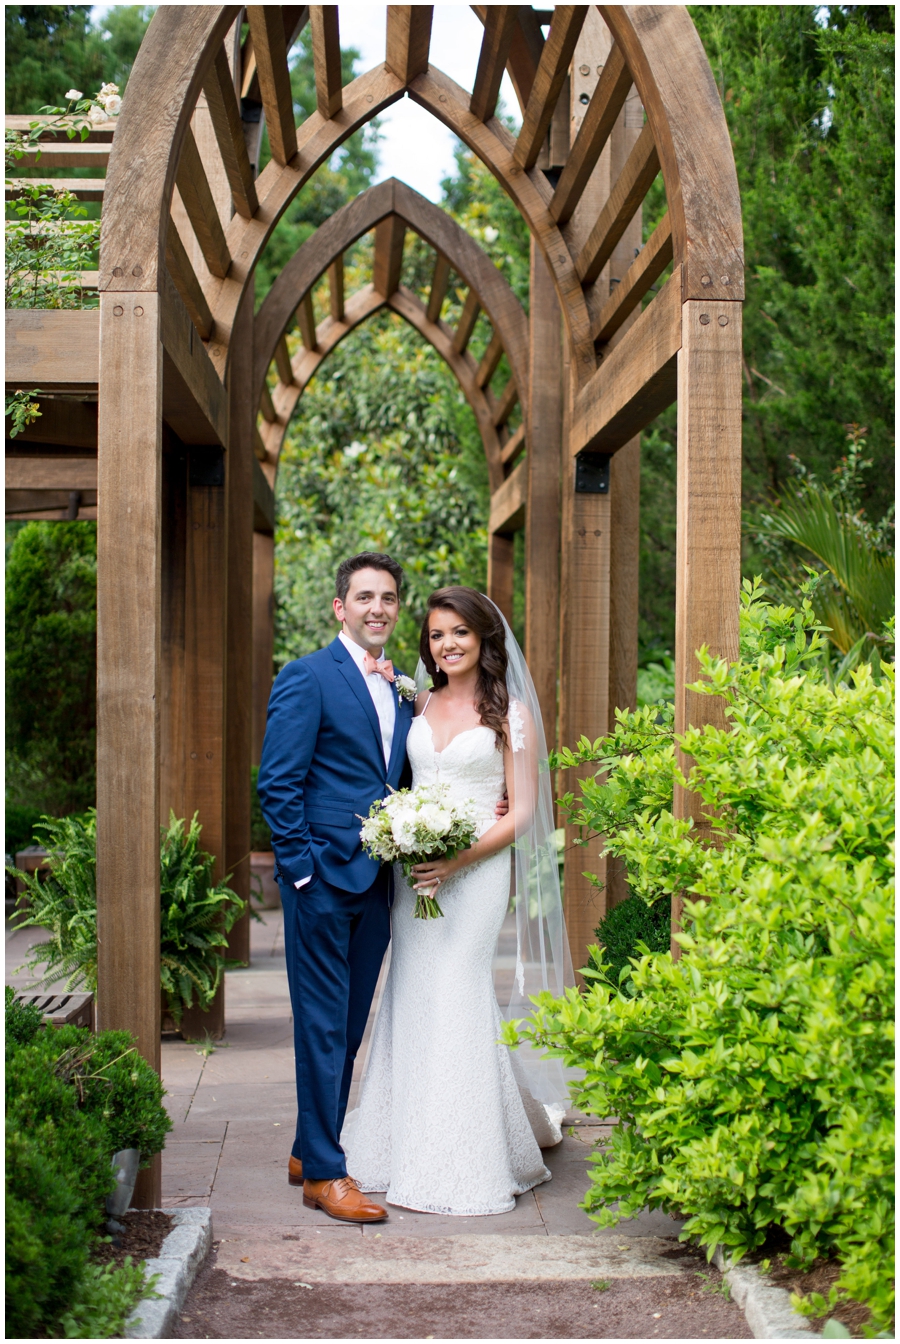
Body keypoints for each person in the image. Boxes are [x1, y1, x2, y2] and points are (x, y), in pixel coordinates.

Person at [257, 557, 511, 1224]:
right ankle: (325, 1175)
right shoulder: (306, 677)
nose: (378, 607)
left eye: (389, 598)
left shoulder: (405, 690)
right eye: (364, 596)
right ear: (340, 607)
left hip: (381, 882)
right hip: (321, 879)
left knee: (346, 1024)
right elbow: (277, 784)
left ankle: (307, 1145)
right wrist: (302, 871)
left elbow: (414, 775)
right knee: (320, 1021)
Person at [342, 587, 574, 1216]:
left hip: (475, 870)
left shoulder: (511, 713)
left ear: (483, 639)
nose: (447, 645)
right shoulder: (418, 700)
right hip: (415, 872)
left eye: (460, 634)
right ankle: (404, 1142)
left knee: (458, 991)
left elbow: (522, 812)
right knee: (414, 993)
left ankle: (468, 1155)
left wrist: (458, 859)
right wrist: (409, 842)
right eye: (438, 635)